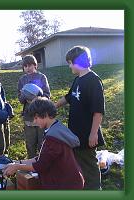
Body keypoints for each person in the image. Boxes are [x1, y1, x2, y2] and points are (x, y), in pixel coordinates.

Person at [3, 97, 84, 190]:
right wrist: (17, 162)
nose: (34, 121)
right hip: (69, 181)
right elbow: (43, 157)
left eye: (36, 117)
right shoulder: (56, 128)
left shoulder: (53, 138)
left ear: (45, 114)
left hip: (66, 184)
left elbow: (41, 166)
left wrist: (17, 167)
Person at [55, 45, 105, 190]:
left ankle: (95, 189)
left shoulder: (93, 81)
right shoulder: (78, 79)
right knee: (80, 162)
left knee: (89, 164)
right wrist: (53, 106)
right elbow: (69, 97)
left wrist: (93, 133)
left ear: (78, 61)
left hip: (87, 134)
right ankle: (83, 186)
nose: (69, 66)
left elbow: (98, 111)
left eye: (70, 63)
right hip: (76, 133)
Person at [18, 55, 51, 158]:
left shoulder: (41, 77)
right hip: (29, 116)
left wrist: (38, 98)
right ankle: (31, 165)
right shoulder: (22, 80)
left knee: (42, 142)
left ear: (35, 65)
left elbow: (47, 95)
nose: (27, 68)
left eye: (30, 65)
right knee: (30, 143)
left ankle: (43, 163)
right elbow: (20, 98)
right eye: (25, 66)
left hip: (42, 115)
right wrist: (24, 96)